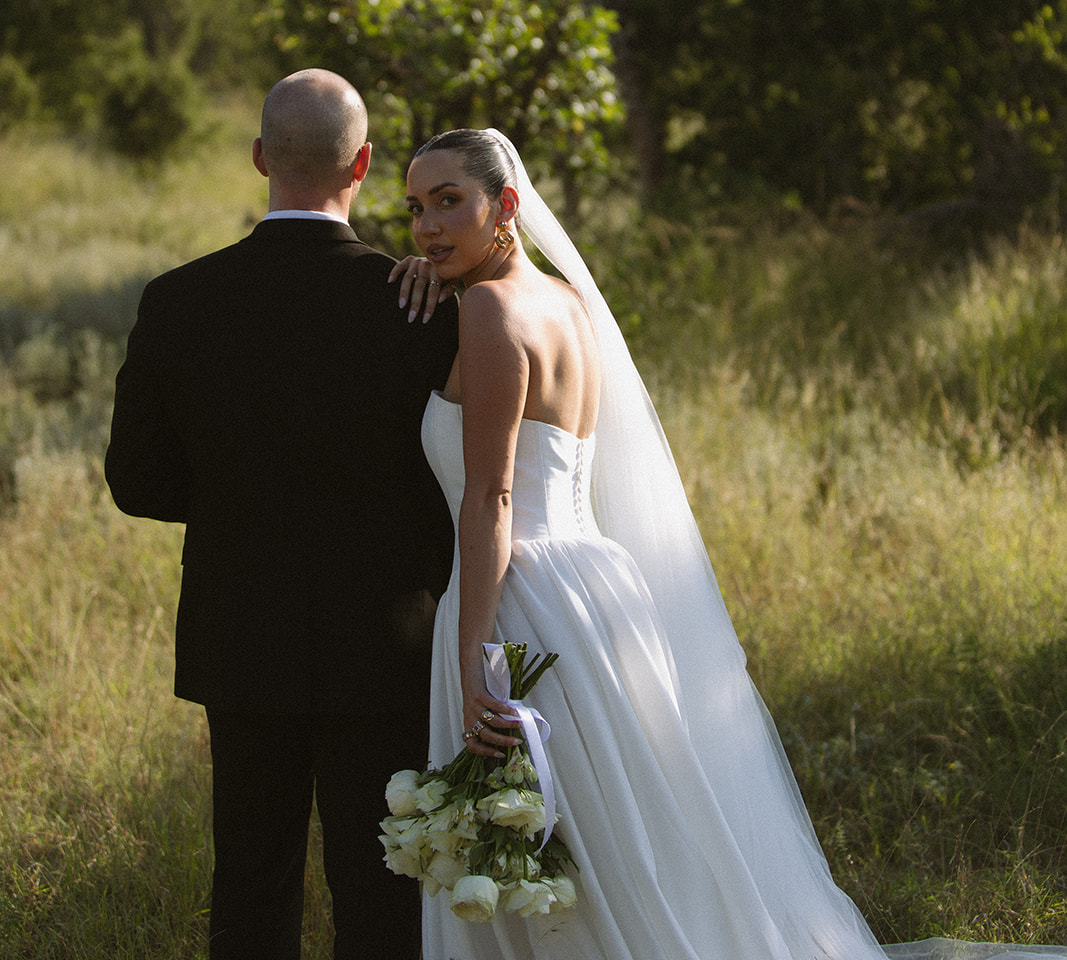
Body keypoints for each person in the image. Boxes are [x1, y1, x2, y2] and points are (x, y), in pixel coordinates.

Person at [398, 127, 1067, 960]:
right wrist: (451, 264)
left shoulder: (493, 316)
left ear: (505, 206)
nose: (426, 227)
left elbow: (493, 495)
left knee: (555, 837)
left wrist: (471, 659)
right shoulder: (565, 301)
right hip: (596, 588)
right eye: (416, 209)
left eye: (448, 203)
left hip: (519, 598)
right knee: (622, 831)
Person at [106, 69, 458, 960]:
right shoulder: (416, 302)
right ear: (365, 165)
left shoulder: (178, 299)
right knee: (380, 881)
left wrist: (238, 503)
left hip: (241, 627)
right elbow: (454, 481)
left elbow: (137, 482)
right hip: (384, 636)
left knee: (252, 880)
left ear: (261, 157)